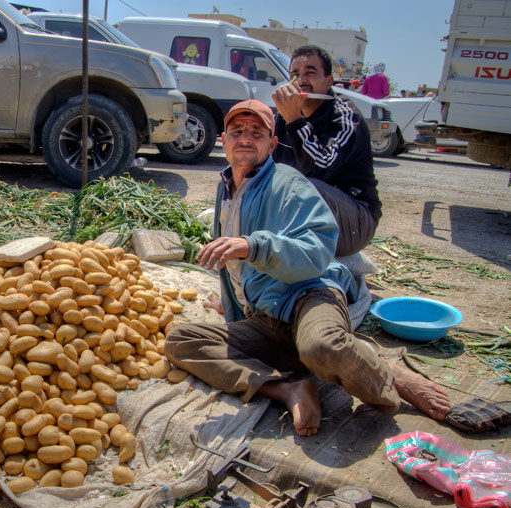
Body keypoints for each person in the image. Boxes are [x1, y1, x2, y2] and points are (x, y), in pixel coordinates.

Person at [163, 99, 450, 436]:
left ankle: (385, 372)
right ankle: (288, 389)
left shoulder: (289, 184)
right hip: (267, 318)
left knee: (322, 347)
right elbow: (235, 270)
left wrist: (253, 245)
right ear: (222, 140)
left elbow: (316, 252)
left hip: (308, 295)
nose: (245, 138)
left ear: (272, 144)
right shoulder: (226, 188)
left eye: (257, 132)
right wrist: (232, 307)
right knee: (182, 341)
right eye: (237, 131)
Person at [272, 45, 380, 258]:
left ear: (329, 81)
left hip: (352, 220)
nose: (301, 80)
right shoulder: (284, 115)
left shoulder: (346, 118)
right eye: (295, 74)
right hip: (307, 216)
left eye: (310, 73)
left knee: (304, 185)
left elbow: (318, 169)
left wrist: (295, 119)